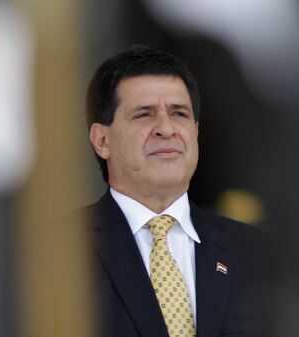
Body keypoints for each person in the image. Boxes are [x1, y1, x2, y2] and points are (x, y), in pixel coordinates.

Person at [84, 45, 273, 337]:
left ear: (195, 131)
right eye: (144, 115)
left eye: (179, 114)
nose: (166, 129)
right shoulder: (57, 251)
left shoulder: (258, 254)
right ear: (102, 140)